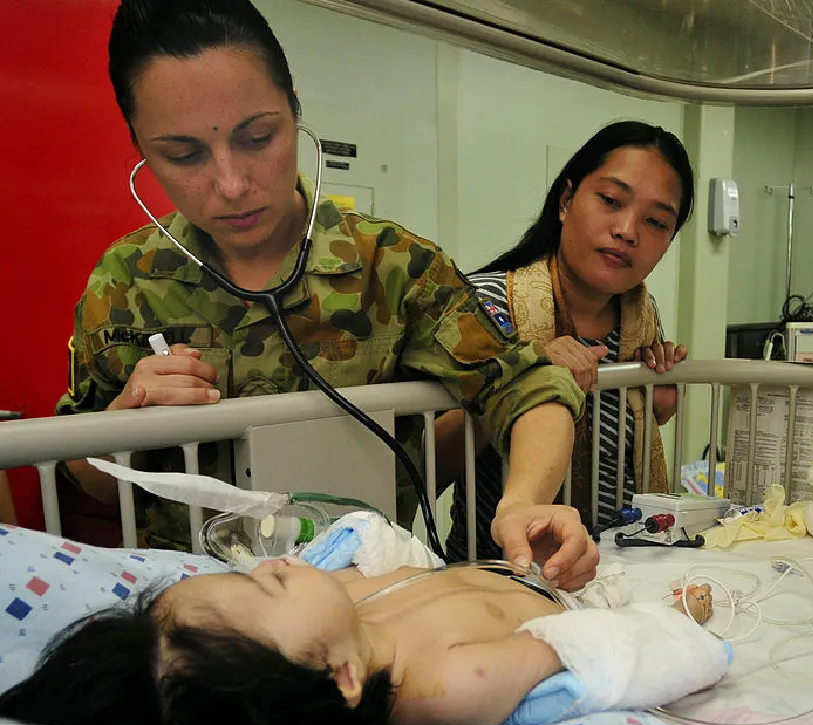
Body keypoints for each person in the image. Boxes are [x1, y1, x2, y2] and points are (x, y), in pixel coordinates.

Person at [55, 0, 597, 590]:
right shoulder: (127, 281)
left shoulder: (391, 268)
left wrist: (521, 504)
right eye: (183, 155)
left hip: (362, 596)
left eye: (258, 137)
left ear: (295, 109)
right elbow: (83, 474)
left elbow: (527, 386)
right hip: (195, 609)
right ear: (139, 146)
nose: (232, 184)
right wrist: (125, 423)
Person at [0, 557, 714, 725]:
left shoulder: (345, 599)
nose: (274, 563)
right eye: (267, 586)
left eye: (247, 571)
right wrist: (666, 617)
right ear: (341, 678)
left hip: (519, 561)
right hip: (575, 594)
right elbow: (584, 649)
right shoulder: (444, 686)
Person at [436, 121, 695, 561]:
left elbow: (618, 437)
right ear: (566, 200)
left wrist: (657, 403)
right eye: (611, 201)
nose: (628, 230)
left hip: (617, 567)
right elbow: (425, 462)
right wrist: (519, 381)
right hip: (500, 570)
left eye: (656, 221)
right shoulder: (485, 304)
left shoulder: (641, 317)